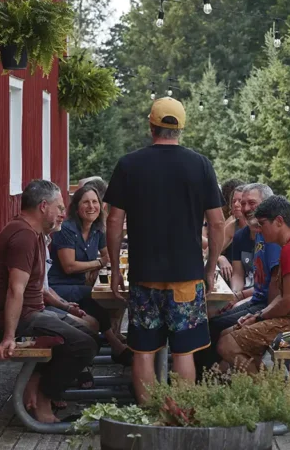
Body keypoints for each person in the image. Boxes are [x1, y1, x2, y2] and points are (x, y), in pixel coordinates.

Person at [104, 97, 226, 404]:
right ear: (181, 128)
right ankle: (179, 414)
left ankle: (148, 416)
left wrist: (117, 270)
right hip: (187, 276)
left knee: (143, 350)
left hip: (144, 276)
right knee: (184, 350)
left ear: (151, 125)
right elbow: (217, 222)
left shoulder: (129, 164)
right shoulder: (200, 165)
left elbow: (115, 220)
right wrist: (210, 268)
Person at [0, 180, 99, 424]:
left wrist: (66, 308)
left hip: (34, 311)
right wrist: (8, 337)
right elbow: (16, 289)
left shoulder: (33, 233)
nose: (63, 213)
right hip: (19, 318)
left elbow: (39, 288)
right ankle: (44, 401)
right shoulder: (23, 236)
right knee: (83, 345)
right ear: (43, 206)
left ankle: (35, 384)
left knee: (88, 327)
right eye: (59, 207)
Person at [218, 195, 290, 374]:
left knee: (226, 344)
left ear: (279, 221)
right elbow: (283, 296)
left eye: (262, 224)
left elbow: (289, 301)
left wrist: (259, 318)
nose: (260, 230)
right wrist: (257, 316)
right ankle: (256, 386)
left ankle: (265, 392)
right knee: (227, 334)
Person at [194, 183, 278, 376]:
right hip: (257, 297)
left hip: (264, 302)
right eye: (239, 202)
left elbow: (274, 291)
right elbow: (239, 274)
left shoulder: (272, 237)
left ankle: (208, 377)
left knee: (216, 327)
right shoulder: (245, 234)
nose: (244, 207)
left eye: (250, 203)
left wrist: (239, 297)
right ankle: (208, 376)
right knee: (209, 320)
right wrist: (233, 295)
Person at [48, 184, 132, 365]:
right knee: (93, 296)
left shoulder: (97, 229)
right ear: (77, 207)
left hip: (79, 283)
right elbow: (69, 266)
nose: (91, 206)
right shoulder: (67, 229)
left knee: (116, 291)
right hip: (57, 287)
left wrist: (103, 262)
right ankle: (115, 343)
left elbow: (108, 254)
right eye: (85, 202)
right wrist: (99, 263)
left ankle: (116, 337)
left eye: (95, 202)